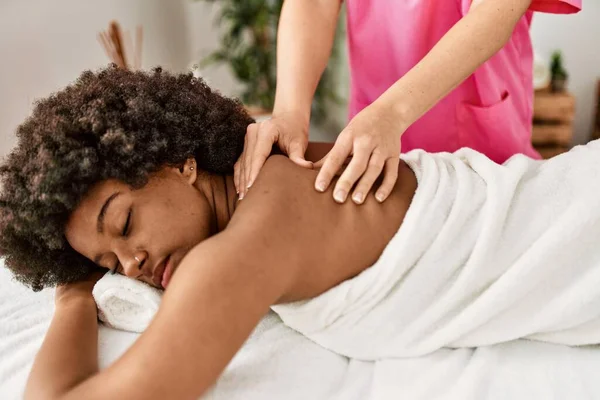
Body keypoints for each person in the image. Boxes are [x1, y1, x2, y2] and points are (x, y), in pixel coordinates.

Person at [1, 67, 597, 399]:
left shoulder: (250, 243)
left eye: (124, 224)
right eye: (106, 263)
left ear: (177, 161)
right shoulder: (263, 189)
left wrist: (74, 297)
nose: (130, 264)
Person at [234, 0, 581, 205]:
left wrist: (392, 113)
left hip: (483, 144)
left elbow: (494, 14)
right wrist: (290, 113)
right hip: (371, 127)